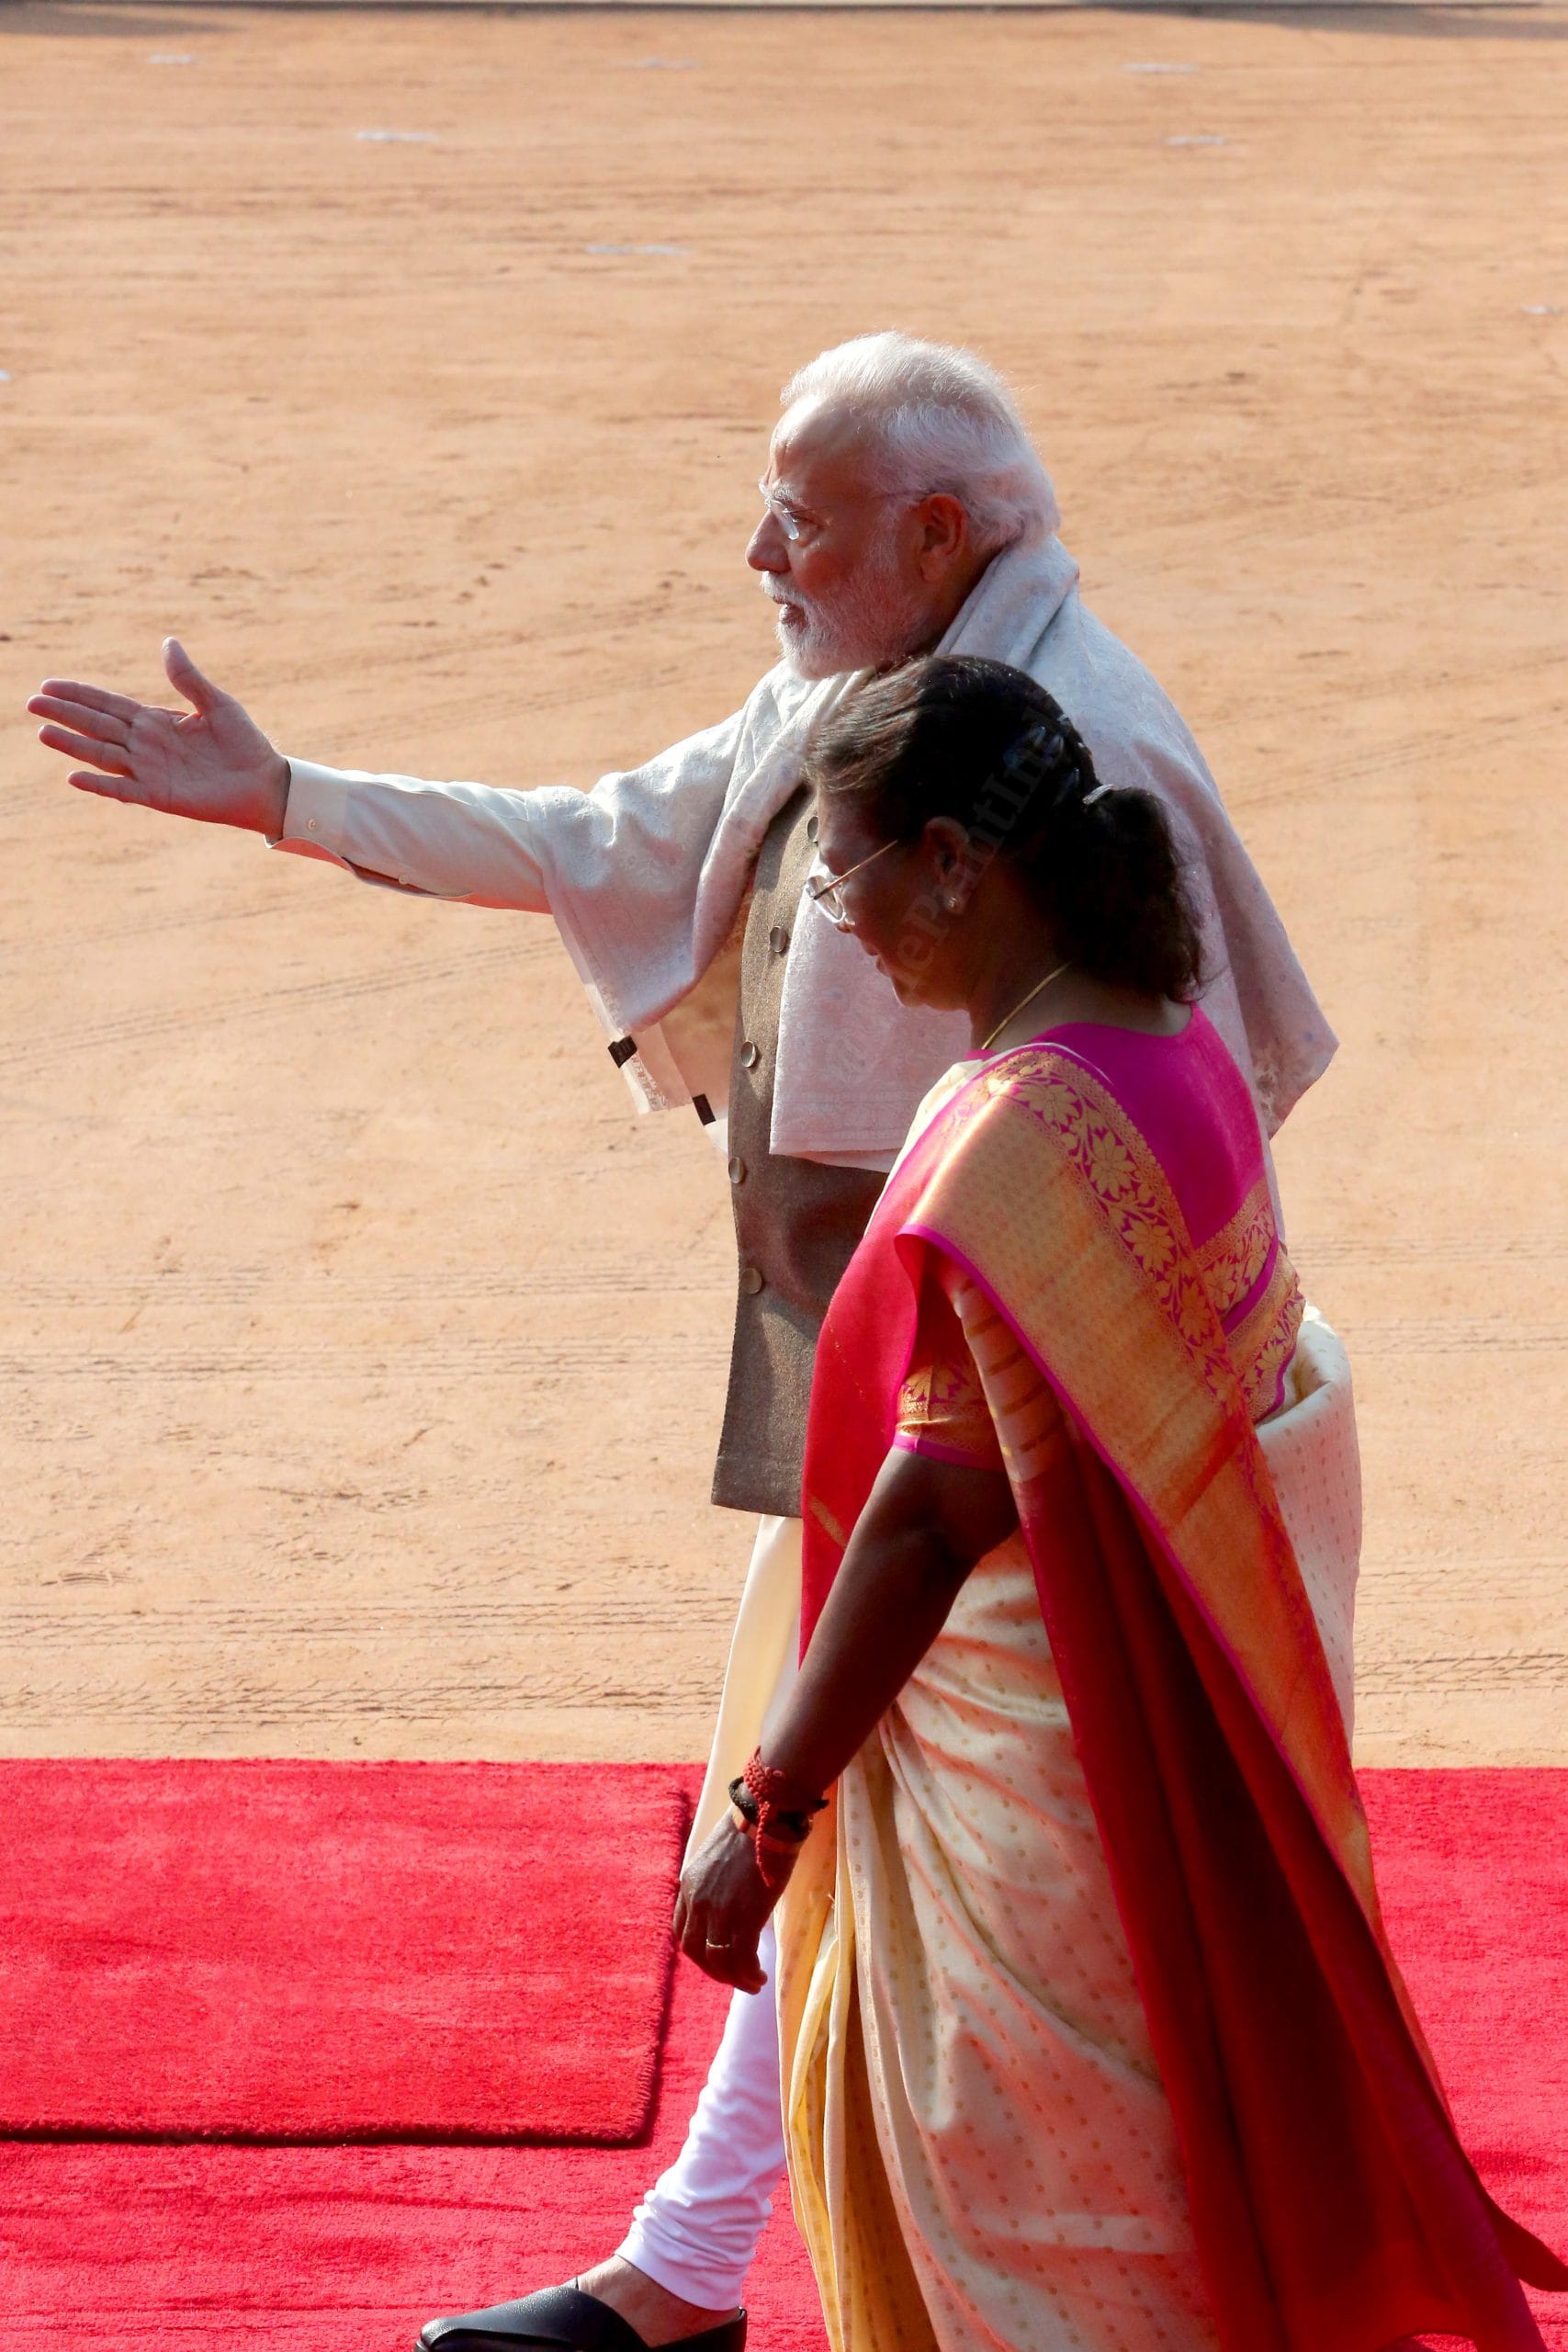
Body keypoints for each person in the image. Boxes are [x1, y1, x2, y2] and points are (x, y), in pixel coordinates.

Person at [28, 336, 1343, 2352]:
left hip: (1015, 1418)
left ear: (932, 534)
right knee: (883, 1846)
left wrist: (767, 1810)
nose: (757, 554)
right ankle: (688, 2262)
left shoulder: (1050, 813)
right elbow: (622, 832)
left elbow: (936, 1496)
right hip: (942, 1364)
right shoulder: (905, 712)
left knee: (915, 1905)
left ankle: (700, 2267)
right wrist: (293, 800)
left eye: (797, 523)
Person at [675, 654, 1566, 2352]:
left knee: (1046, 2242)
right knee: (1159, 2202)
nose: (840, 918)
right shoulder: (1172, 1041)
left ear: (953, 858)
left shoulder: (1013, 1128)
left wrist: (769, 1807)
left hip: (1042, 1804)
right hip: (1151, 1755)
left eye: (846, 870)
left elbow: (935, 1518)